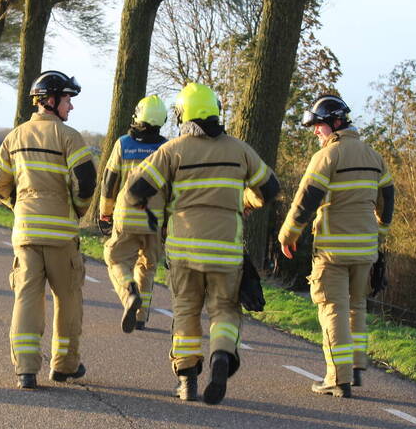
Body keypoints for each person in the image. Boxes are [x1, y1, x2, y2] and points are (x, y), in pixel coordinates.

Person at [125, 82, 280, 404]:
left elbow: (137, 188)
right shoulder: (240, 149)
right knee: (224, 308)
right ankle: (221, 356)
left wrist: (151, 210)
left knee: (186, 311)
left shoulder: (173, 150)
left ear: (184, 115)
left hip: (184, 248)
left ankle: (186, 381)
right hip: (226, 249)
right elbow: (270, 188)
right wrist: (246, 201)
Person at [278, 95, 394, 397]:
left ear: (334, 123)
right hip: (365, 249)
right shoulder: (373, 156)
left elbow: (305, 202)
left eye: (318, 126)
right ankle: (355, 369)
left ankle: (337, 379)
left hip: (333, 250)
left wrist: (288, 236)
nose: (316, 132)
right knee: (356, 307)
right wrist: (379, 232)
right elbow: (388, 200)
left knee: (333, 309)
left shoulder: (327, 157)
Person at [0, 71, 97, 390]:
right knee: (68, 299)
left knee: (26, 298)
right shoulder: (70, 137)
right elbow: (87, 181)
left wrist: (18, 205)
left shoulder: (15, 137)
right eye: (67, 100)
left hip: (25, 234)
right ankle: (63, 366)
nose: (71, 107)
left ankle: (25, 369)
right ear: (50, 101)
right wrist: (76, 209)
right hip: (61, 236)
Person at [99, 95, 168, 332]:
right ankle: (141, 317)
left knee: (115, 258)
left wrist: (105, 213)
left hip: (126, 217)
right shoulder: (167, 148)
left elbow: (110, 181)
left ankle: (128, 292)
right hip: (154, 220)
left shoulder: (123, 144)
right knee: (147, 267)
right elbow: (173, 189)